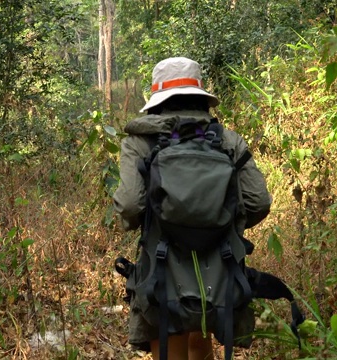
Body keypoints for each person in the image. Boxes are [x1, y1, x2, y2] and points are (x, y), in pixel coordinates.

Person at [113, 57, 272, 360]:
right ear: (199, 95)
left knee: (169, 336)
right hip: (218, 266)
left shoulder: (139, 142)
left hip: (162, 266)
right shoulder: (226, 140)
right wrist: (222, 223)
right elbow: (259, 202)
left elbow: (131, 203)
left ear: (158, 99)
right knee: (201, 333)